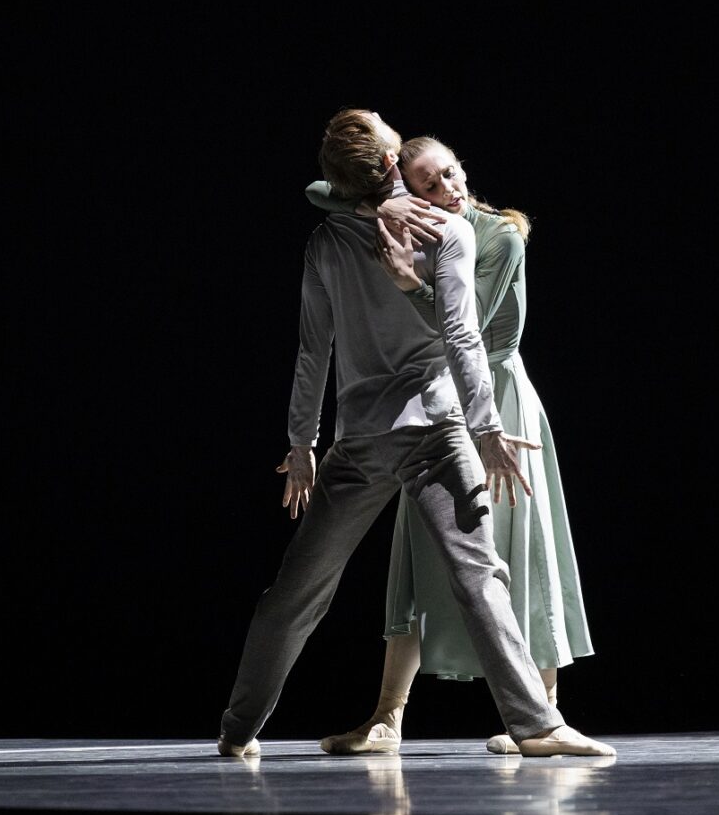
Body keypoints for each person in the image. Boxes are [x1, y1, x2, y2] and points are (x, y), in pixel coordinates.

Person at [217, 108, 614, 760]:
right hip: (434, 429)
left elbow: (312, 351)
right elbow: (460, 338)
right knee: (480, 577)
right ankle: (537, 726)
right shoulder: (445, 230)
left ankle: (237, 730)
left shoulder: (325, 241)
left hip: (361, 437)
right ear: (390, 165)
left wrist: (300, 445)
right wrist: (487, 427)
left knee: (295, 595)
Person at [306, 135, 593, 756]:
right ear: (406, 187)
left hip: (499, 398)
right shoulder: (413, 219)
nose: (448, 191)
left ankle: (544, 711)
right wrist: (380, 208)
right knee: (415, 554)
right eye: (429, 185)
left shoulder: (498, 236)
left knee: (516, 547)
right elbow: (319, 192)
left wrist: (410, 285)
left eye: (451, 175)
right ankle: (388, 717)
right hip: (438, 403)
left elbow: (470, 324)